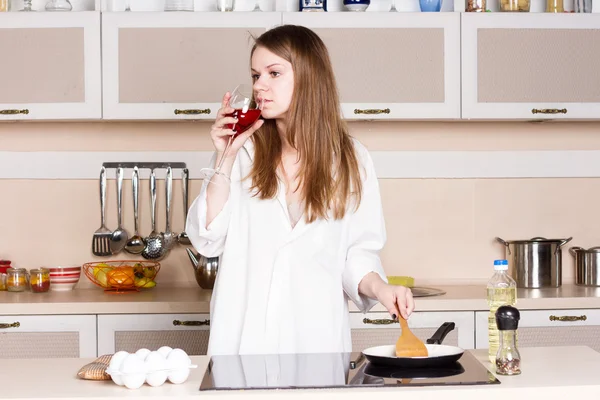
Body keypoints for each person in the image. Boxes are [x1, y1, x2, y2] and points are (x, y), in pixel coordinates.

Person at [186, 24, 414, 356]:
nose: (259, 85)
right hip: (244, 342)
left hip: (316, 340)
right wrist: (225, 156)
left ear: (308, 77)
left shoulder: (352, 159)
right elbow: (207, 237)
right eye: (255, 75)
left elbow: (357, 252)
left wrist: (381, 288)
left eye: (273, 73)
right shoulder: (242, 152)